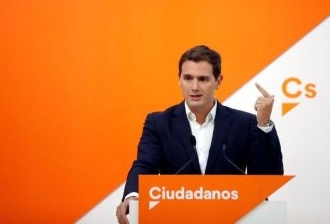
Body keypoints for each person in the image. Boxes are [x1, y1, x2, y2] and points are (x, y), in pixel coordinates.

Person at [116, 45, 283, 223]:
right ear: (179, 79)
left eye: (203, 79)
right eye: (188, 78)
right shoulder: (159, 123)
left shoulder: (245, 123)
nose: (194, 87)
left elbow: (267, 179)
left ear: (218, 81)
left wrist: (263, 123)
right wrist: (133, 196)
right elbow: (145, 166)